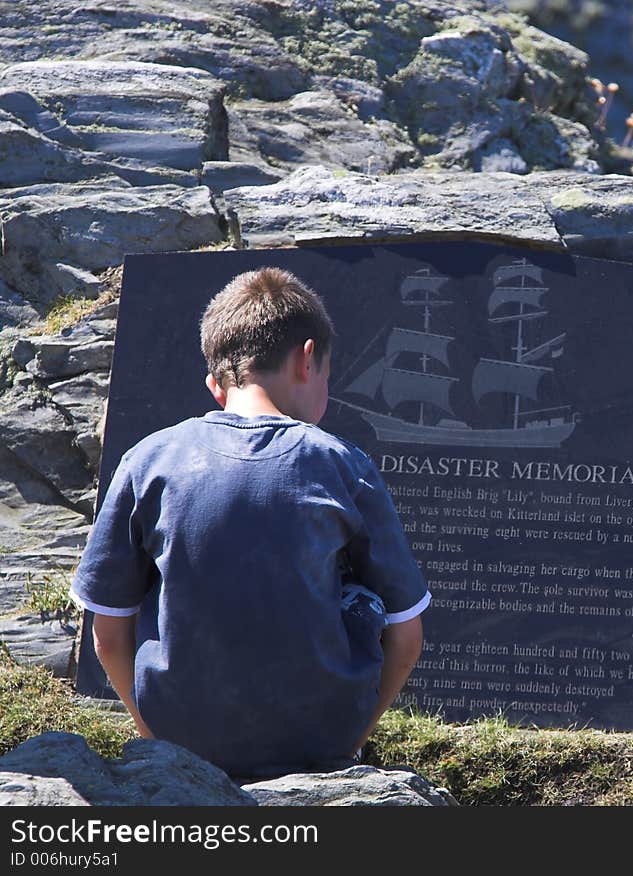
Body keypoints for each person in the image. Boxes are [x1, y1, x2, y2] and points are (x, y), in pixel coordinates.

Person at [69, 266, 430, 778]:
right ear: (308, 360)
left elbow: (107, 633)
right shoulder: (343, 465)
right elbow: (406, 635)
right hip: (317, 741)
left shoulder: (147, 460)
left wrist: (155, 736)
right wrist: (349, 739)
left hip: (180, 737)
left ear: (216, 385)